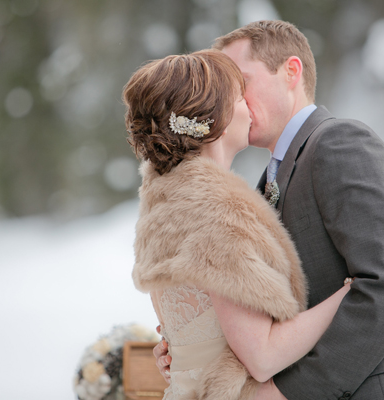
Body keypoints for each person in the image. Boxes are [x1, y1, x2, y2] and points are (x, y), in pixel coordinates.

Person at [155, 21, 384, 400]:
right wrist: (194, 347)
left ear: (291, 72)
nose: (235, 101)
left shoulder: (340, 143)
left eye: (241, 82)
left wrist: (291, 392)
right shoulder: (261, 185)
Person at [123, 50, 353, 400]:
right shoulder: (215, 211)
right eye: (238, 96)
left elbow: (198, 331)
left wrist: (183, 354)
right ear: (217, 119)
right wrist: (351, 294)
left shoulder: (166, 203)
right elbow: (262, 357)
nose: (249, 104)